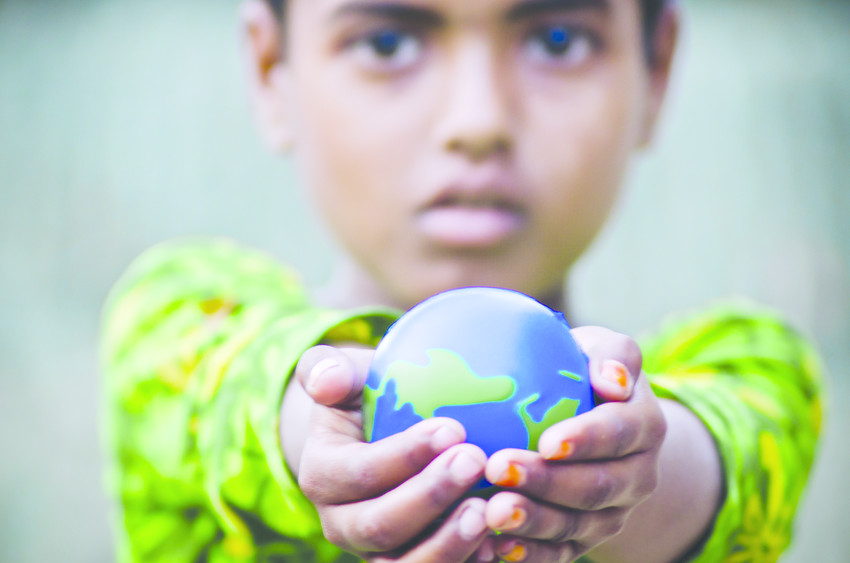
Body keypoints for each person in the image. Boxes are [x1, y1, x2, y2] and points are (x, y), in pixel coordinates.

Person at [100, 0, 825, 561]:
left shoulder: (757, 370)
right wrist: (313, 422)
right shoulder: (183, 319)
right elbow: (227, 390)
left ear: (656, 69)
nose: (477, 121)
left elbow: (727, 449)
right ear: (270, 70)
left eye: (556, 39)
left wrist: (632, 467)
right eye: (387, 42)